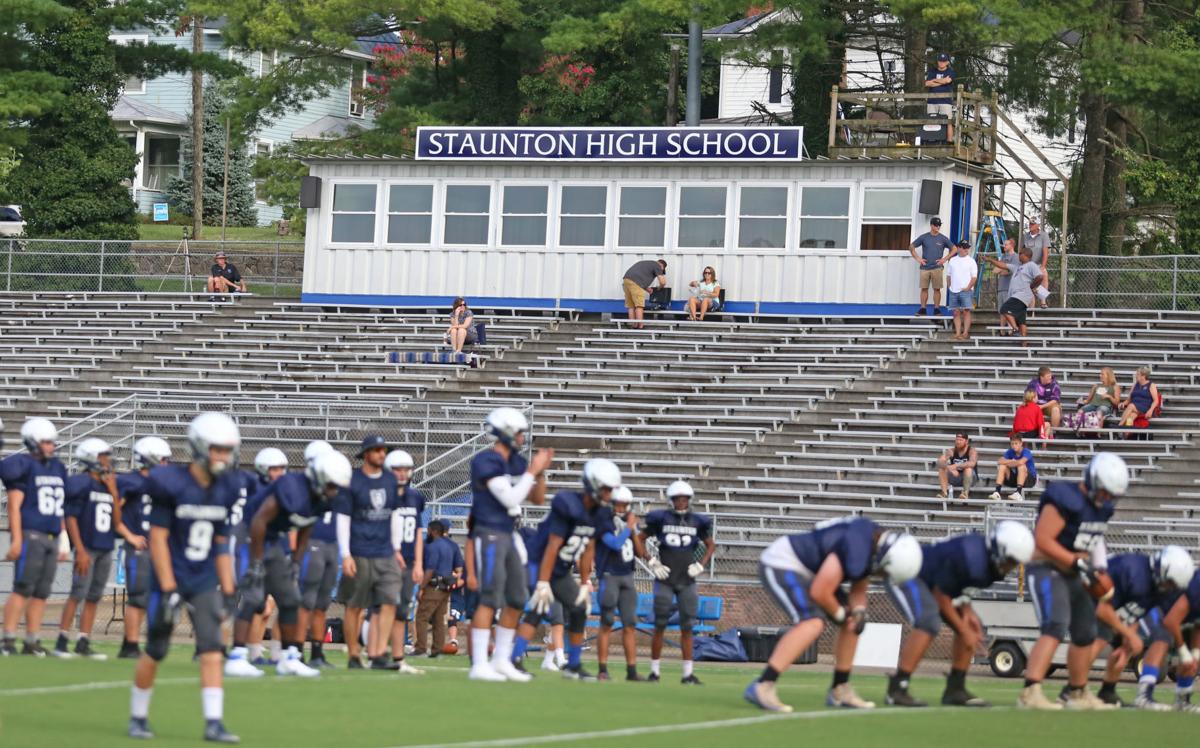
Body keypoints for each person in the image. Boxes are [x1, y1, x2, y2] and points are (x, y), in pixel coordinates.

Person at [127, 412, 242, 742]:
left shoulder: (227, 488)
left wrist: (229, 588)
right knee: (156, 649)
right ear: (199, 447)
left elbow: (221, 544)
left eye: (227, 450)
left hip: (203, 579)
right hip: (170, 575)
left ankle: (214, 722)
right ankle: (138, 715)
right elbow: (159, 538)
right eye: (217, 449)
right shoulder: (172, 483)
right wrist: (168, 587)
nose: (223, 457)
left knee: (211, 648)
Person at [743, 517, 923, 713]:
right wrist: (839, 613)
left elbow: (859, 589)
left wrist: (858, 612)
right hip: (783, 563)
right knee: (813, 623)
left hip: (810, 571)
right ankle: (764, 684)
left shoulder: (869, 544)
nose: (883, 576)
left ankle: (840, 688)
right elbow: (820, 592)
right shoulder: (858, 545)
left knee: (853, 621)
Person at [1017, 452, 1127, 711]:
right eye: (1104, 492)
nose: (1107, 499)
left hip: (1073, 571)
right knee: (1055, 626)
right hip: (1046, 567)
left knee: (1086, 633)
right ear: (1091, 480)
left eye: (1112, 495)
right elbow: (1041, 540)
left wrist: (1099, 568)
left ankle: (1077, 693)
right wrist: (1076, 561)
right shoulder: (1065, 498)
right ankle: (1030, 691)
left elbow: (1096, 536)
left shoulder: (1103, 508)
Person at [885, 521, 1035, 707]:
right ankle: (898, 688)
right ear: (1000, 549)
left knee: (972, 624)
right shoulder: (973, 557)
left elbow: (959, 588)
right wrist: (964, 630)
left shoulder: (988, 561)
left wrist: (967, 615)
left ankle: (955, 689)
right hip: (909, 575)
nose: (1012, 567)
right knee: (929, 622)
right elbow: (941, 597)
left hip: (936, 585)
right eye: (1012, 561)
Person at [232, 450, 351, 679]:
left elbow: (306, 525)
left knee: (290, 599)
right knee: (255, 597)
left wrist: (297, 560)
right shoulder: (291, 487)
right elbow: (258, 521)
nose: (334, 491)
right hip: (250, 535)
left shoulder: (323, 496)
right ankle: (237, 656)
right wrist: (256, 563)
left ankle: (288, 658)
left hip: (273, 539)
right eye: (331, 485)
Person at [466, 407, 553, 681]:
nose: (521, 438)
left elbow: (537, 499)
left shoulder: (517, 463)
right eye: (517, 432)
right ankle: (479, 664)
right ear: (502, 431)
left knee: (517, 597)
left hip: (511, 535)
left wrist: (539, 473)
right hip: (489, 533)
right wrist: (532, 471)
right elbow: (511, 499)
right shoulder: (485, 461)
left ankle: (501, 660)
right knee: (490, 597)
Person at [520, 459, 622, 681]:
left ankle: (573, 665)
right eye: (606, 488)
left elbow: (589, 549)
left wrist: (585, 581)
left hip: (562, 569)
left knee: (578, 609)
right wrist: (543, 582)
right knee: (538, 608)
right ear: (593, 485)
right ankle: (515, 659)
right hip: (539, 562)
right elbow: (552, 546)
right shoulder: (567, 504)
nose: (609, 494)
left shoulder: (602, 514)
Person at [53, 439, 142, 659]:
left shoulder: (107, 484)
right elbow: (71, 517)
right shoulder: (81, 483)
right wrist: (80, 549)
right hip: (87, 547)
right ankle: (61, 641)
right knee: (78, 593)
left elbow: (116, 520)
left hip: (105, 546)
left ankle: (84, 640)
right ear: (91, 457)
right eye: (103, 456)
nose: (108, 461)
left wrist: (113, 491)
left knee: (94, 596)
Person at [1089, 548, 1194, 708]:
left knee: (1125, 646)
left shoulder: (1155, 585)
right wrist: (1130, 635)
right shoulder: (1134, 572)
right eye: (1170, 582)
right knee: (1101, 637)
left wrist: (1127, 639)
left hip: (1117, 607)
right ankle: (1075, 688)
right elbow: (1102, 610)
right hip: (1091, 600)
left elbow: (1138, 610)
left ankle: (1107, 691)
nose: (1170, 587)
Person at [335, 435, 406, 670]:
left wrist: (396, 549)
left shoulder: (389, 479)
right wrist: (345, 554)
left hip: (384, 552)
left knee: (388, 601)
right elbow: (343, 518)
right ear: (366, 454)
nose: (382, 454)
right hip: (359, 551)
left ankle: (377, 654)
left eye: (383, 450)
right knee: (355, 605)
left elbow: (394, 515)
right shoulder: (352, 481)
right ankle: (354, 654)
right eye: (377, 450)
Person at [1, 417, 68, 657]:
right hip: (31, 534)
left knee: (42, 592)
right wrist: (16, 539)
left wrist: (63, 540)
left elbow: (60, 507)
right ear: (33, 442)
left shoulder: (58, 467)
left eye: (52, 442)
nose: (52, 446)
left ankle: (32, 640)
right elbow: (14, 506)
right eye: (47, 442)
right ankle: (7, 639)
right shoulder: (23, 466)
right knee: (23, 588)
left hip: (51, 536)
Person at [639, 480, 715, 685]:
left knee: (687, 627)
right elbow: (638, 539)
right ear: (671, 500)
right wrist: (652, 561)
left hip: (687, 580)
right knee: (660, 625)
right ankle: (654, 672)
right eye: (677, 499)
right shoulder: (660, 519)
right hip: (665, 579)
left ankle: (687, 674)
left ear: (689, 500)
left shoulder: (697, 521)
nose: (681, 503)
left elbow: (710, 545)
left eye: (684, 499)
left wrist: (701, 564)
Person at [116, 436, 173, 659]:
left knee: (156, 597)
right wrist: (130, 535)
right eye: (163, 460)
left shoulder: (165, 484)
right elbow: (114, 512)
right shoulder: (130, 482)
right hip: (139, 548)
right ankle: (129, 645)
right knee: (138, 596)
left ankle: (146, 643)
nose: (166, 464)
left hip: (160, 549)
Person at [596, 485, 644, 681]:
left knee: (630, 625)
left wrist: (632, 531)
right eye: (618, 504)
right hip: (609, 575)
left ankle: (631, 671)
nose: (621, 509)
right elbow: (614, 544)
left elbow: (640, 552)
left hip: (627, 576)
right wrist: (628, 528)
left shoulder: (628, 523)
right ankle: (602, 670)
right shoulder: (602, 520)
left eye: (624, 505)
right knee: (606, 622)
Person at [297, 440, 339, 667]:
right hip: (311, 544)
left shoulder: (336, 484)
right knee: (306, 602)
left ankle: (316, 652)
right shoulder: (304, 485)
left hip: (332, 546)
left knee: (322, 604)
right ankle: (296, 651)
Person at [386, 449, 427, 674]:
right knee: (382, 607)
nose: (402, 474)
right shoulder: (383, 495)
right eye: (397, 469)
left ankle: (398, 657)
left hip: (410, 560)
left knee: (402, 610)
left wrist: (419, 562)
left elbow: (419, 531)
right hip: (387, 557)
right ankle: (377, 652)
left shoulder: (415, 497)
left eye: (405, 469)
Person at [1147, 556, 1200, 711]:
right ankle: (1144, 694)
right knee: (1163, 639)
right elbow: (1170, 621)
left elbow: (1198, 624)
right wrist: (1184, 652)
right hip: (1158, 608)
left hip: (1182, 617)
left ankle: (1182, 701)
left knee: (1192, 660)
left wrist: (1195, 656)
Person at [413, 520, 462, 658]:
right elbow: (458, 569)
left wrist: (421, 587)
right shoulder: (451, 546)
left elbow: (430, 569)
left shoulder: (432, 546)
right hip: (446, 587)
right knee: (439, 620)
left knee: (422, 617)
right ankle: (437, 650)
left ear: (433, 531)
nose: (427, 532)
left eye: (429, 530)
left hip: (433, 586)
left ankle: (421, 648)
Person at [909, 217, 954, 316]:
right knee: (924, 288)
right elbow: (911, 246)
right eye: (936, 225)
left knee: (937, 289)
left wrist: (944, 259)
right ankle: (923, 309)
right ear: (931, 225)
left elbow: (954, 248)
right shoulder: (924, 237)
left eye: (939, 225)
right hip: (925, 268)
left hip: (937, 268)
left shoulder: (943, 238)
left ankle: (936, 309)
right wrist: (918, 258)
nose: (938, 227)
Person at [999, 248, 1045, 338]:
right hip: (1019, 296)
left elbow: (1040, 277)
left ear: (1026, 255)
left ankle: (1015, 329)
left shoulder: (1031, 265)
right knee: (1021, 321)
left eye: (1020, 253)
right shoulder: (1017, 267)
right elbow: (1003, 265)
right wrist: (990, 260)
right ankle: (1024, 343)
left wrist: (1032, 286)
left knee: (1004, 309)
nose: (1019, 255)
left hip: (1021, 295)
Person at [981, 238, 1020, 328]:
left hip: (1010, 288)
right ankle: (1002, 330)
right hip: (1001, 288)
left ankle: (1011, 330)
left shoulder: (1016, 257)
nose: (1004, 246)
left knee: (1009, 310)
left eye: (1006, 244)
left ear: (1012, 245)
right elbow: (995, 270)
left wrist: (1002, 270)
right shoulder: (1003, 257)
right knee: (1002, 310)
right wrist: (1003, 269)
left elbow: (1010, 271)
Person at [1069, 367, 1121, 431]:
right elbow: (1088, 400)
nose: (1100, 376)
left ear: (1108, 375)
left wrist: (1109, 396)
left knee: (1099, 412)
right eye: (1100, 374)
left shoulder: (1115, 387)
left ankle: (1097, 432)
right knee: (1080, 411)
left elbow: (1117, 403)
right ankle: (1079, 430)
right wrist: (1081, 401)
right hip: (1093, 405)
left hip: (1105, 406)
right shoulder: (1096, 386)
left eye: (1102, 374)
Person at [622, 258, 668, 329]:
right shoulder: (657, 265)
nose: (660, 271)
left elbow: (638, 277)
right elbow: (663, 282)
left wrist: (646, 288)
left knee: (631, 306)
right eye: (662, 270)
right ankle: (640, 326)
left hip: (626, 280)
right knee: (639, 305)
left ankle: (634, 325)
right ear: (662, 266)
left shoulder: (646, 263)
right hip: (635, 282)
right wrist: (660, 287)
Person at [989, 434, 1039, 501]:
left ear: (1021, 443)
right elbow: (999, 461)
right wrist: (1011, 461)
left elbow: (1021, 462)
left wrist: (1010, 463)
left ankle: (1018, 493)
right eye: (1012, 444)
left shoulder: (1026, 451)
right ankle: (997, 492)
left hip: (1029, 480)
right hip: (1016, 479)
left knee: (1021, 466)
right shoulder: (1010, 451)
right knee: (1002, 466)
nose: (1014, 446)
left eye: (1016, 443)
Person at [945, 240, 977, 339]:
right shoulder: (953, 260)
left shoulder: (971, 261)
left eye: (967, 247)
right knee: (956, 312)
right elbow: (948, 275)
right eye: (964, 247)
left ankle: (965, 333)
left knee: (966, 311)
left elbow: (974, 277)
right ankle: (958, 333)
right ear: (959, 248)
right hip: (954, 290)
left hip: (965, 290)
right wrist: (950, 287)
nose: (966, 249)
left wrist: (968, 287)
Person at [936, 432, 978, 501]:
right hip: (956, 477)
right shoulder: (951, 451)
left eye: (960, 440)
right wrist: (948, 467)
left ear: (966, 441)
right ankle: (944, 493)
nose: (958, 442)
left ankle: (965, 493)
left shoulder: (972, 451)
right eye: (957, 440)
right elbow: (939, 462)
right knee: (942, 468)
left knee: (968, 468)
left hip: (970, 478)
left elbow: (972, 463)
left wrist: (956, 465)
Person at [924, 52, 956, 140]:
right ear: (937, 61)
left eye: (944, 61)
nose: (941, 63)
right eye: (940, 61)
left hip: (945, 101)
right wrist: (941, 81)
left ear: (947, 62)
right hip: (932, 102)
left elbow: (948, 81)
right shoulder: (932, 71)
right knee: (931, 122)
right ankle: (932, 141)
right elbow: (927, 83)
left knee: (948, 122)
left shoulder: (950, 71)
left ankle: (949, 142)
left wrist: (934, 81)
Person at [1023, 217, 1051, 304]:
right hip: (1028, 265)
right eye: (1030, 223)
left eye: (1033, 224)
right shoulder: (1025, 236)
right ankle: (1032, 311)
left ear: (1038, 225)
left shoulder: (1044, 235)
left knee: (1044, 275)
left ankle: (1043, 301)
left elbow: (1045, 252)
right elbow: (1022, 251)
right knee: (1029, 288)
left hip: (1038, 264)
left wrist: (1043, 266)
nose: (1030, 225)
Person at [1028, 366, 1063, 433]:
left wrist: (1042, 406)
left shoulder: (1054, 383)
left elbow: (1055, 400)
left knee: (1056, 409)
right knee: (1025, 407)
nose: (1050, 377)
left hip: (1049, 405)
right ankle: (1030, 432)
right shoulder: (1033, 383)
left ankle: (1053, 432)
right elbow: (1028, 396)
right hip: (1036, 405)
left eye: (1050, 375)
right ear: (1041, 377)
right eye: (1048, 376)